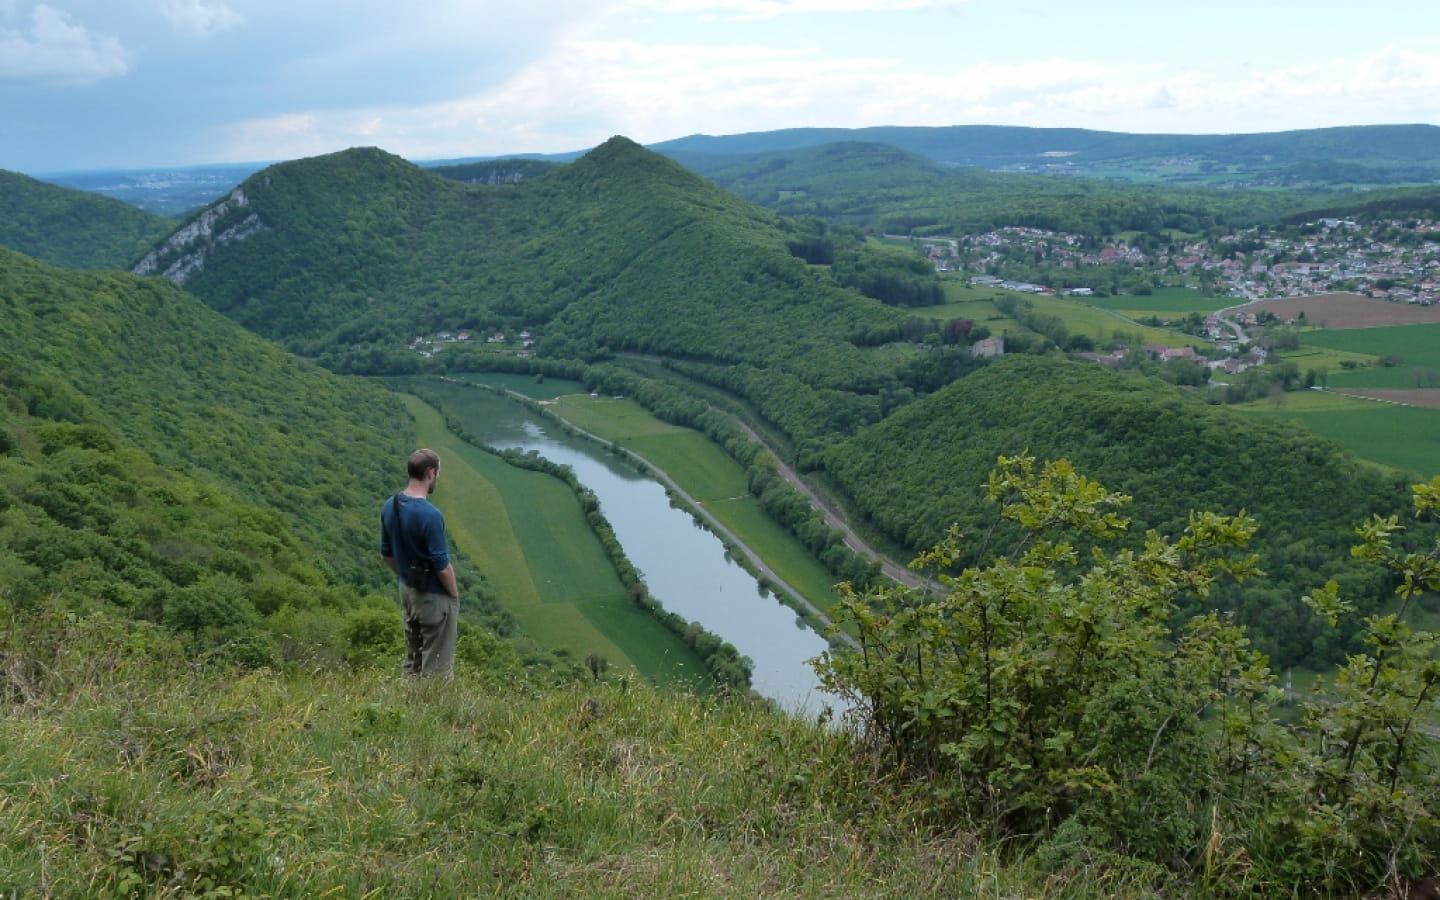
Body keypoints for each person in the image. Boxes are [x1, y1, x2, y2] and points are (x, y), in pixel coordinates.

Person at [379, 448, 459, 677]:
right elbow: (441, 565)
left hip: (407, 592)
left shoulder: (390, 505)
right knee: (438, 668)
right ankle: (434, 710)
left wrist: (406, 577)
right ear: (430, 472)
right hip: (433, 597)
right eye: (438, 473)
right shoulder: (430, 515)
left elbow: (386, 554)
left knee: (413, 660)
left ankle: (405, 708)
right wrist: (453, 596)